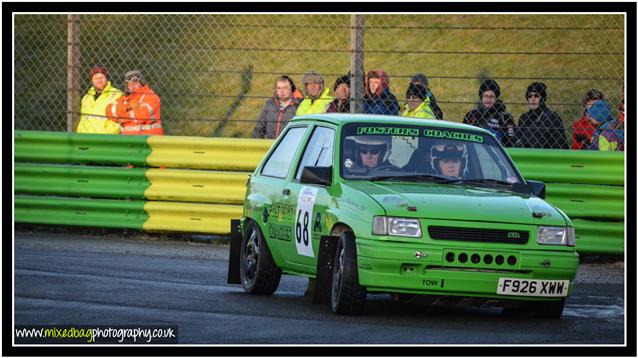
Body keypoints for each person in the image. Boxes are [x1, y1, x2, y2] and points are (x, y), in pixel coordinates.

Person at [106, 70, 163, 135]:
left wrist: (122, 118)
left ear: (141, 83)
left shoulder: (151, 96)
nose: (132, 87)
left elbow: (141, 115)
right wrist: (128, 107)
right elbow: (109, 110)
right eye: (129, 84)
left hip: (148, 140)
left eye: (135, 84)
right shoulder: (125, 98)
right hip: (128, 140)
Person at [463, 79, 516, 147]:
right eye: (486, 96)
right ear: (481, 97)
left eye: (491, 97)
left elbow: (511, 141)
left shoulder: (505, 117)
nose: (488, 100)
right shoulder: (471, 115)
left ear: (496, 98)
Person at [516, 82, 568, 149]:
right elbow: (516, 139)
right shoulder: (524, 117)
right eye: (529, 96)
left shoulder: (552, 117)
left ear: (542, 98)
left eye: (536, 96)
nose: (532, 99)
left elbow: (561, 143)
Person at [76, 66, 123, 134]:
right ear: (92, 80)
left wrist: (110, 134)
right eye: (95, 78)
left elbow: (119, 120)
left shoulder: (117, 95)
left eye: (101, 77)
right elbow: (83, 120)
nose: (99, 81)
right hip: (85, 139)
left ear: (107, 78)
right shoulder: (86, 97)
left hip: (105, 139)